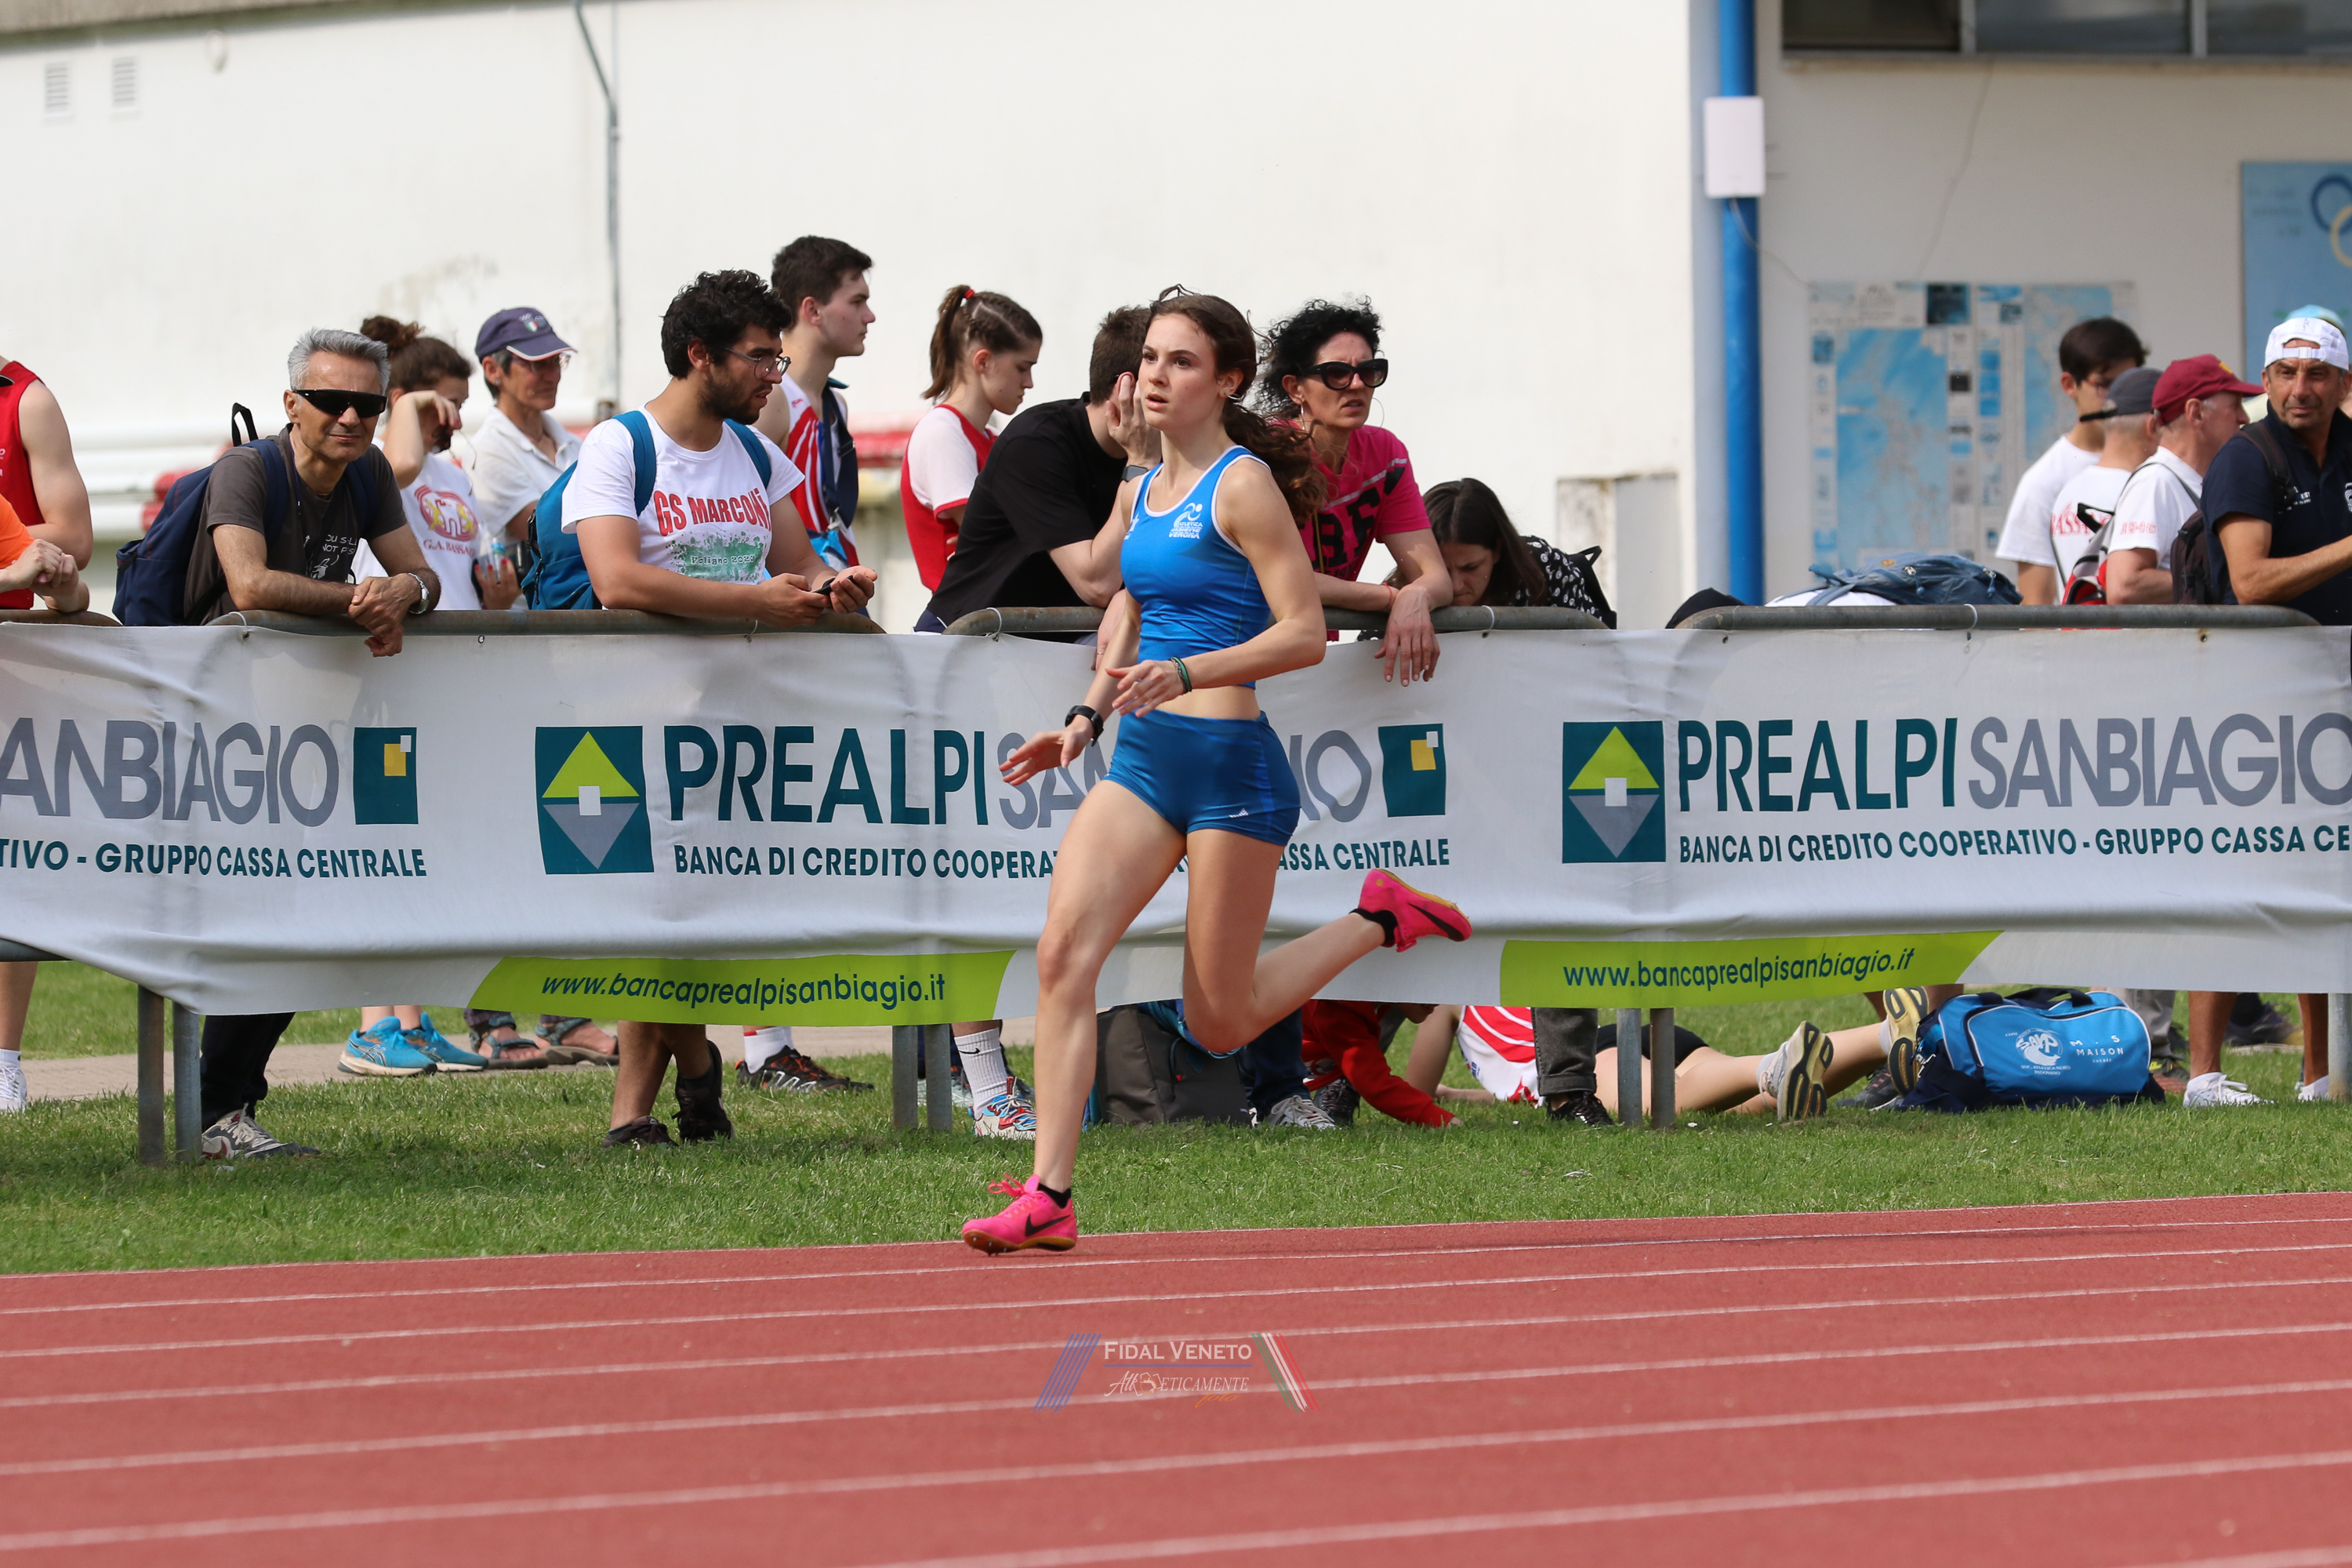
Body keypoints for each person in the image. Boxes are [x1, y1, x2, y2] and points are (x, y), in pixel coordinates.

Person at [960, 289, 1475, 1255]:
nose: (1156, 376)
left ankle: (1376, 916)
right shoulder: (1139, 485)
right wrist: (1085, 717)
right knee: (1063, 954)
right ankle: (1050, 1191)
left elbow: (1305, 632)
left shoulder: (1244, 486)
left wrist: (1192, 672)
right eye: (1150, 358)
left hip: (1233, 769)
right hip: (1144, 761)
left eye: (1181, 361)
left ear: (1228, 380)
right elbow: (1126, 607)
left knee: (1221, 1018)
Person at [565, 269, 876, 1147]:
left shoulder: (753, 452)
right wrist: (755, 601)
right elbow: (616, 580)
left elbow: (797, 563)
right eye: (759, 358)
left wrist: (835, 586)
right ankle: (690, 1075)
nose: (774, 376)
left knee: (688, 915)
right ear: (699, 355)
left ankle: (647, 1109)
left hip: (737, 725)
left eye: (779, 358)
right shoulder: (619, 446)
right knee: (653, 913)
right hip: (633, 716)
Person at [194, 329, 444, 1159]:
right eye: (331, 401)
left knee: (299, 914)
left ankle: (225, 1109)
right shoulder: (247, 470)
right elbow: (249, 584)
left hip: (296, 730)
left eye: (367, 404)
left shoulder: (369, 473)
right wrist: (360, 601)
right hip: (206, 727)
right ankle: (214, 1110)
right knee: (257, 916)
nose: (350, 417)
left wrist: (401, 592)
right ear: (291, 403)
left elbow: (424, 575)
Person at [2179, 316, 2352, 1107]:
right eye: (2284, 373)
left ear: (2343, 383)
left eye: (2316, 374)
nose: (2299, 388)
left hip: (2331, 695)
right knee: (2238, 872)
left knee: (2325, 875)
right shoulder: (2247, 458)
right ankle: (2203, 1072)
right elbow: (2250, 582)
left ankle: (2321, 1071)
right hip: (2249, 699)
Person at [922, 305, 1153, 632]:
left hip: (1048, 646)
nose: (1029, 382)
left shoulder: (1172, 451)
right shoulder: (1034, 444)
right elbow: (1097, 584)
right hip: (967, 644)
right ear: (1128, 391)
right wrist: (1140, 466)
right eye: (1162, 379)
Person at [1255, 299, 1450, 683]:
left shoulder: (1386, 454)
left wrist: (1418, 595)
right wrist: (1392, 597)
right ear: (1295, 389)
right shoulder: (1261, 458)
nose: (1357, 385)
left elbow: (1436, 577)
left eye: (1369, 371)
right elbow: (1282, 581)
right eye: (1336, 373)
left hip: (1308, 658)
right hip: (1236, 653)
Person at [0, 352, 95, 1114]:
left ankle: (3, 1060)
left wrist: (32, 570)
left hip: (13, 664)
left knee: (9, 859)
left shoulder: (23, 397)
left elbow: (70, 547)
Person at [902, 286, 1042, 592]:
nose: (1029, 382)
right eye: (1022, 368)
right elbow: (989, 533)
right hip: (960, 613)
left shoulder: (994, 438)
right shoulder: (942, 432)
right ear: (983, 362)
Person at [1995, 316, 2147, 585]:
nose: (2119, 398)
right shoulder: (2043, 483)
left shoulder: (2158, 464)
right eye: (2105, 384)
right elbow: (2036, 603)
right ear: (2069, 385)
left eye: (2129, 384)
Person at [2098, 354, 2258, 606]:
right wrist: (2224, 580)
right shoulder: (2155, 481)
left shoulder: (2190, 480)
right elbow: (2125, 586)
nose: (2244, 418)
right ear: (2196, 412)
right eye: (2235, 405)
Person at [756, 236, 872, 571]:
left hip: (829, 582)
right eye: (857, 302)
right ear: (813, 310)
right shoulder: (770, 400)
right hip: (788, 591)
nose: (870, 316)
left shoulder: (836, 405)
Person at [2007, 365, 2161, 604]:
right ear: (2153, 426)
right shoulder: (2143, 493)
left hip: (2072, 625)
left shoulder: (2067, 492)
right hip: (2125, 627)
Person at [463, 307, 581, 579]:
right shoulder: (487, 450)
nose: (552, 375)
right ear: (493, 370)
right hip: (537, 603)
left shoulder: (575, 445)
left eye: (556, 361)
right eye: (537, 364)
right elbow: (547, 534)